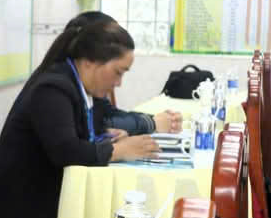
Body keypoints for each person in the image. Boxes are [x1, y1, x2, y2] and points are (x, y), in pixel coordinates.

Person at [0, 18, 160, 218]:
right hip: (19, 210)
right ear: (90, 61)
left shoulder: (79, 86)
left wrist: (108, 137)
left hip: (42, 201)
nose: (118, 83)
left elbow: (86, 130)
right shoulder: (53, 88)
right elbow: (65, 150)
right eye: (118, 72)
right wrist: (116, 150)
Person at [46, 12, 181, 135]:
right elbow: (102, 123)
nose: (118, 83)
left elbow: (109, 114)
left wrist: (154, 119)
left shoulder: (83, 83)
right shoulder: (56, 89)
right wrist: (152, 123)